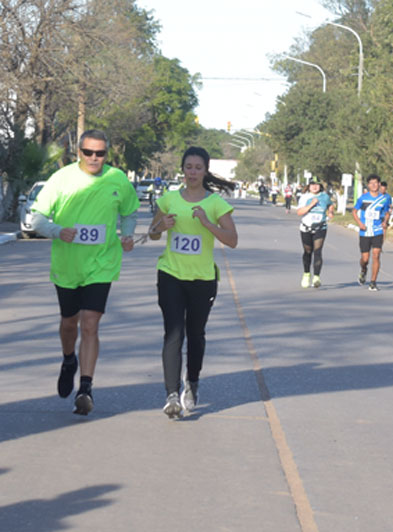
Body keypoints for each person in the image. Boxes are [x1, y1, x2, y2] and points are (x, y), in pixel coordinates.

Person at [31, 129, 140, 415]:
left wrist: (127, 234)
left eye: (100, 153)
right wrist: (57, 231)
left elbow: (130, 211)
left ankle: (86, 388)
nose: (94, 158)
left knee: (90, 324)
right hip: (67, 265)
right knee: (69, 323)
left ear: (107, 154)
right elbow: (37, 218)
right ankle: (69, 360)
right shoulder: (62, 178)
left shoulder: (117, 179)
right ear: (79, 152)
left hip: (102, 263)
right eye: (88, 152)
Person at [148, 146, 238, 418]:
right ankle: (171, 394)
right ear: (183, 169)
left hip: (202, 279)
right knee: (173, 333)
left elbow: (232, 240)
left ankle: (192, 383)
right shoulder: (169, 199)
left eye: (198, 168)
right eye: (189, 167)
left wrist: (207, 223)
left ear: (205, 171)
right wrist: (161, 227)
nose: (193, 172)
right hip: (171, 274)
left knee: (195, 335)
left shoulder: (215, 204)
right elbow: (152, 234)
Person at [353, 173, 392, 291]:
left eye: (376, 183)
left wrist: (385, 221)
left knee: (376, 255)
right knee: (365, 259)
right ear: (368, 185)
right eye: (371, 183)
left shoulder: (384, 198)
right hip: (365, 232)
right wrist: (360, 224)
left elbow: (387, 211)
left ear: (379, 184)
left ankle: (373, 282)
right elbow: (354, 211)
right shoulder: (363, 198)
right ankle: (363, 270)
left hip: (377, 231)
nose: (374, 185)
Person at [296, 179, 334, 288]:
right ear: (309, 186)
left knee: (318, 251)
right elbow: (299, 212)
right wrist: (311, 205)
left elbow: (330, 205)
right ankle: (306, 274)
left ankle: (316, 277)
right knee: (308, 251)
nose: (314, 187)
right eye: (312, 185)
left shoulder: (325, 196)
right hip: (306, 227)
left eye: (317, 185)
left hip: (320, 227)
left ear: (320, 186)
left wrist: (330, 212)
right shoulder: (305, 197)